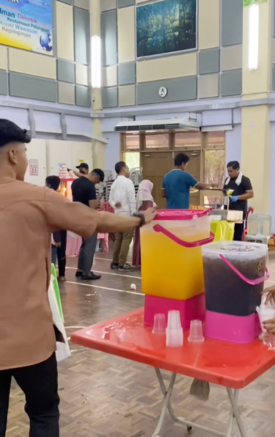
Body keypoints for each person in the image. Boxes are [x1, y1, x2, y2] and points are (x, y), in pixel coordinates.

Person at [0, 118, 156, 437]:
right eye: (25, 152)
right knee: (43, 413)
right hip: (29, 337)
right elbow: (95, 220)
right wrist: (140, 219)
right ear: (13, 155)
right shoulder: (35, 197)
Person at [71, 167, 104, 280]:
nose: (96, 184)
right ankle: (87, 272)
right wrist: (98, 199)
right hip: (87, 218)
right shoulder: (90, 186)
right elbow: (92, 207)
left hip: (76, 216)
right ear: (95, 177)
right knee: (90, 244)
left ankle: (80, 269)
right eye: (97, 181)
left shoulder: (75, 183)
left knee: (84, 244)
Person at [109, 161, 137, 271]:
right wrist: (134, 214)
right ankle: (122, 263)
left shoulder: (114, 183)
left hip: (118, 215)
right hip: (127, 215)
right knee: (126, 239)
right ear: (123, 169)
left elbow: (111, 200)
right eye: (128, 168)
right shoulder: (128, 182)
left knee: (118, 239)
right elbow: (131, 199)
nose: (128, 171)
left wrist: (115, 205)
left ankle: (115, 262)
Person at [223, 161, 254, 241]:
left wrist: (237, 197)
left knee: (237, 233)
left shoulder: (244, 180)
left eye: (231, 171)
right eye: (228, 171)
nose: (229, 173)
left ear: (237, 169)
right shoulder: (227, 180)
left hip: (239, 211)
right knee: (228, 232)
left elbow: (250, 194)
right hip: (228, 210)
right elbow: (224, 191)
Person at [45, 176, 67, 282]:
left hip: (53, 230)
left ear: (48, 184)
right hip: (61, 227)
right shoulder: (60, 198)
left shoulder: (46, 197)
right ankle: (61, 275)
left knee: (51, 254)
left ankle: (50, 276)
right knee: (60, 252)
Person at [132, 180, 156, 268]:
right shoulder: (148, 197)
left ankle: (137, 261)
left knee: (138, 240)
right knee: (145, 241)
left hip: (139, 220)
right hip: (146, 222)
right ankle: (144, 260)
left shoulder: (139, 194)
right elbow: (148, 210)